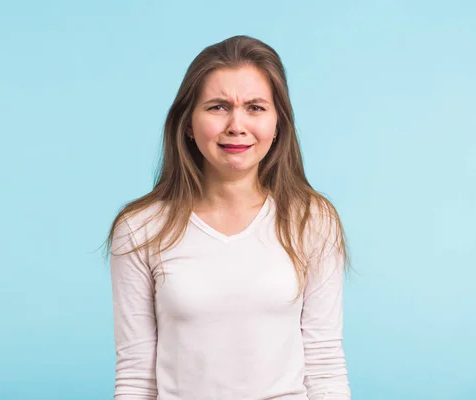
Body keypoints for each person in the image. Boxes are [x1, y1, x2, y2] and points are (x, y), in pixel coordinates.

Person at [106, 35, 353, 399]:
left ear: (278, 123)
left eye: (255, 107)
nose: (237, 125)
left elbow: (325, 364)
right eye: (218, 107)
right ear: (188, 123)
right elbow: (137, 375)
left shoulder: (312, 220)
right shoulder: (141, 228)